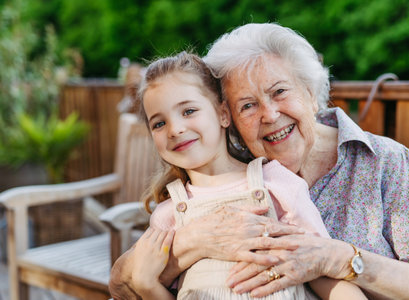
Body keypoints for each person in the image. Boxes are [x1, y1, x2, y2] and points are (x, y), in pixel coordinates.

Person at [110, 23, 409, 299]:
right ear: (226, 115)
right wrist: (190, 242)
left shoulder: (382, 162)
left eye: (279, 92)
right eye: (247, 105)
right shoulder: (227, 166)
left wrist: (343, 259)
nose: (270, 115)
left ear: (310, 91)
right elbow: (122, 281)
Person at [122, 51, 366, 299]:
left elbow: (324, 273)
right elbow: (138, 280)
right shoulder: (167, 217)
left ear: (223, 114)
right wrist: (147, 287)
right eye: (159, 123)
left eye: (188, 111)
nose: (175, 129)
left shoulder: (276, 184)